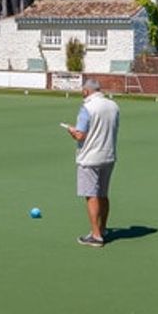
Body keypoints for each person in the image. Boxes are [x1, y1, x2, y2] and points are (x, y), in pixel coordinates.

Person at [62, 77, 119, 247]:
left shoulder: (87, 107)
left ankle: (96, 235)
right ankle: (103, 228)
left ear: (87, 91)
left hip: (89, 157)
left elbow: (80, 135)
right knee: (103, 194)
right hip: (108, 154)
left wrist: (72, 130)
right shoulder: (113, 105)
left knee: (91, 195)